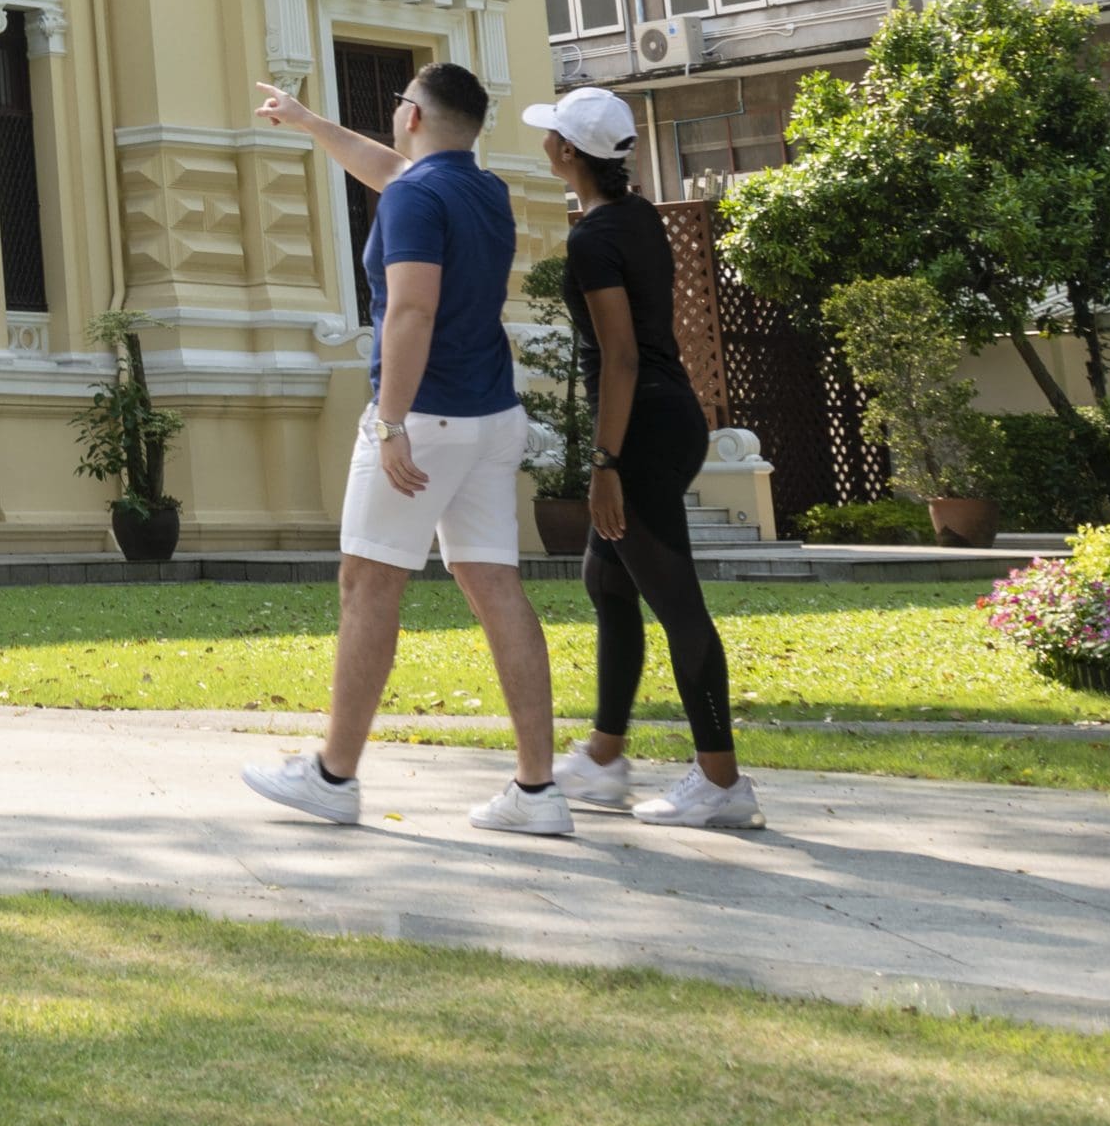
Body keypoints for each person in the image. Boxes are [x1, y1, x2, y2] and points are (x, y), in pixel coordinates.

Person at [239, 60, 576, 837]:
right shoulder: (477, 188)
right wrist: (308, 121)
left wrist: (390, 421)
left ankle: (333, 776)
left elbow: (412, 312)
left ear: (415, 115)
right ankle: (537, 792)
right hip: (493, 418)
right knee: (496, 587)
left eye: (399, 106)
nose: (394, 118)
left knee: (367, 585)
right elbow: (389, 169)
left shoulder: (421, 198)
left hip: (425, 419)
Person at [527, 87, 763, 830]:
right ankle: (603, 757)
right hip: (669, 415)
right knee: (608, 578)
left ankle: (721, 781)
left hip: (642, 431)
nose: (547, 144)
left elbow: (620, 357)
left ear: (568, 153)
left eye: (553, 135)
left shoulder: (592, 239)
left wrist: (605, 464)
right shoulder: (636, 218)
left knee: (676, 602)